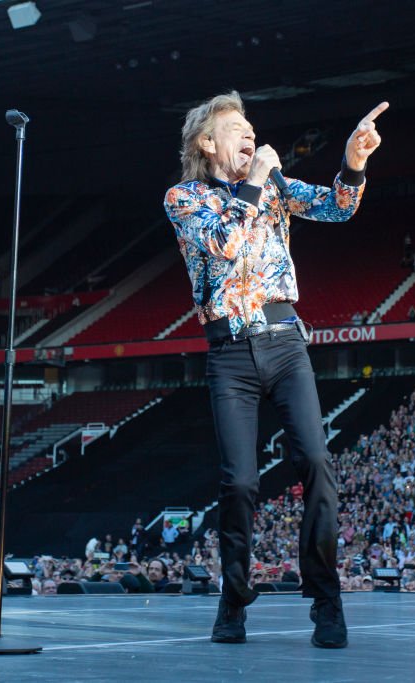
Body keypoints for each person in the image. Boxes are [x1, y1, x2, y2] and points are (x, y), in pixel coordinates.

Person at [164, 90, 387, 648]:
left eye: (251, 125)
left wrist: (353, 163)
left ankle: (327, 601)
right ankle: (233, 599)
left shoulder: (276, 189)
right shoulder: (184, 198)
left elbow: (337, 206)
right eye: (235, 126)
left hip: (286, 342)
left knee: (315, 460)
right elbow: (224, 244)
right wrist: (256, 182)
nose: (249, 133)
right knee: (239, 482)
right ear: (207, 142)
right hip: (231, 353)